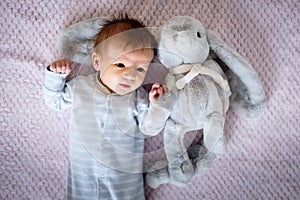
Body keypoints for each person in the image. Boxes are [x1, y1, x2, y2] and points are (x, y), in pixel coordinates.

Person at [43, 15, 173, 200]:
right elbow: (55, 101)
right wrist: (55, 76)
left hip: (124, 188)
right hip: (82, 185)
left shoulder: (138, 99)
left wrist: (158, 106)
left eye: (140, 69)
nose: (130, 75)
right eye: (121, 64)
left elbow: (150, 127)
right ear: (97, 62)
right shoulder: (81, 88)